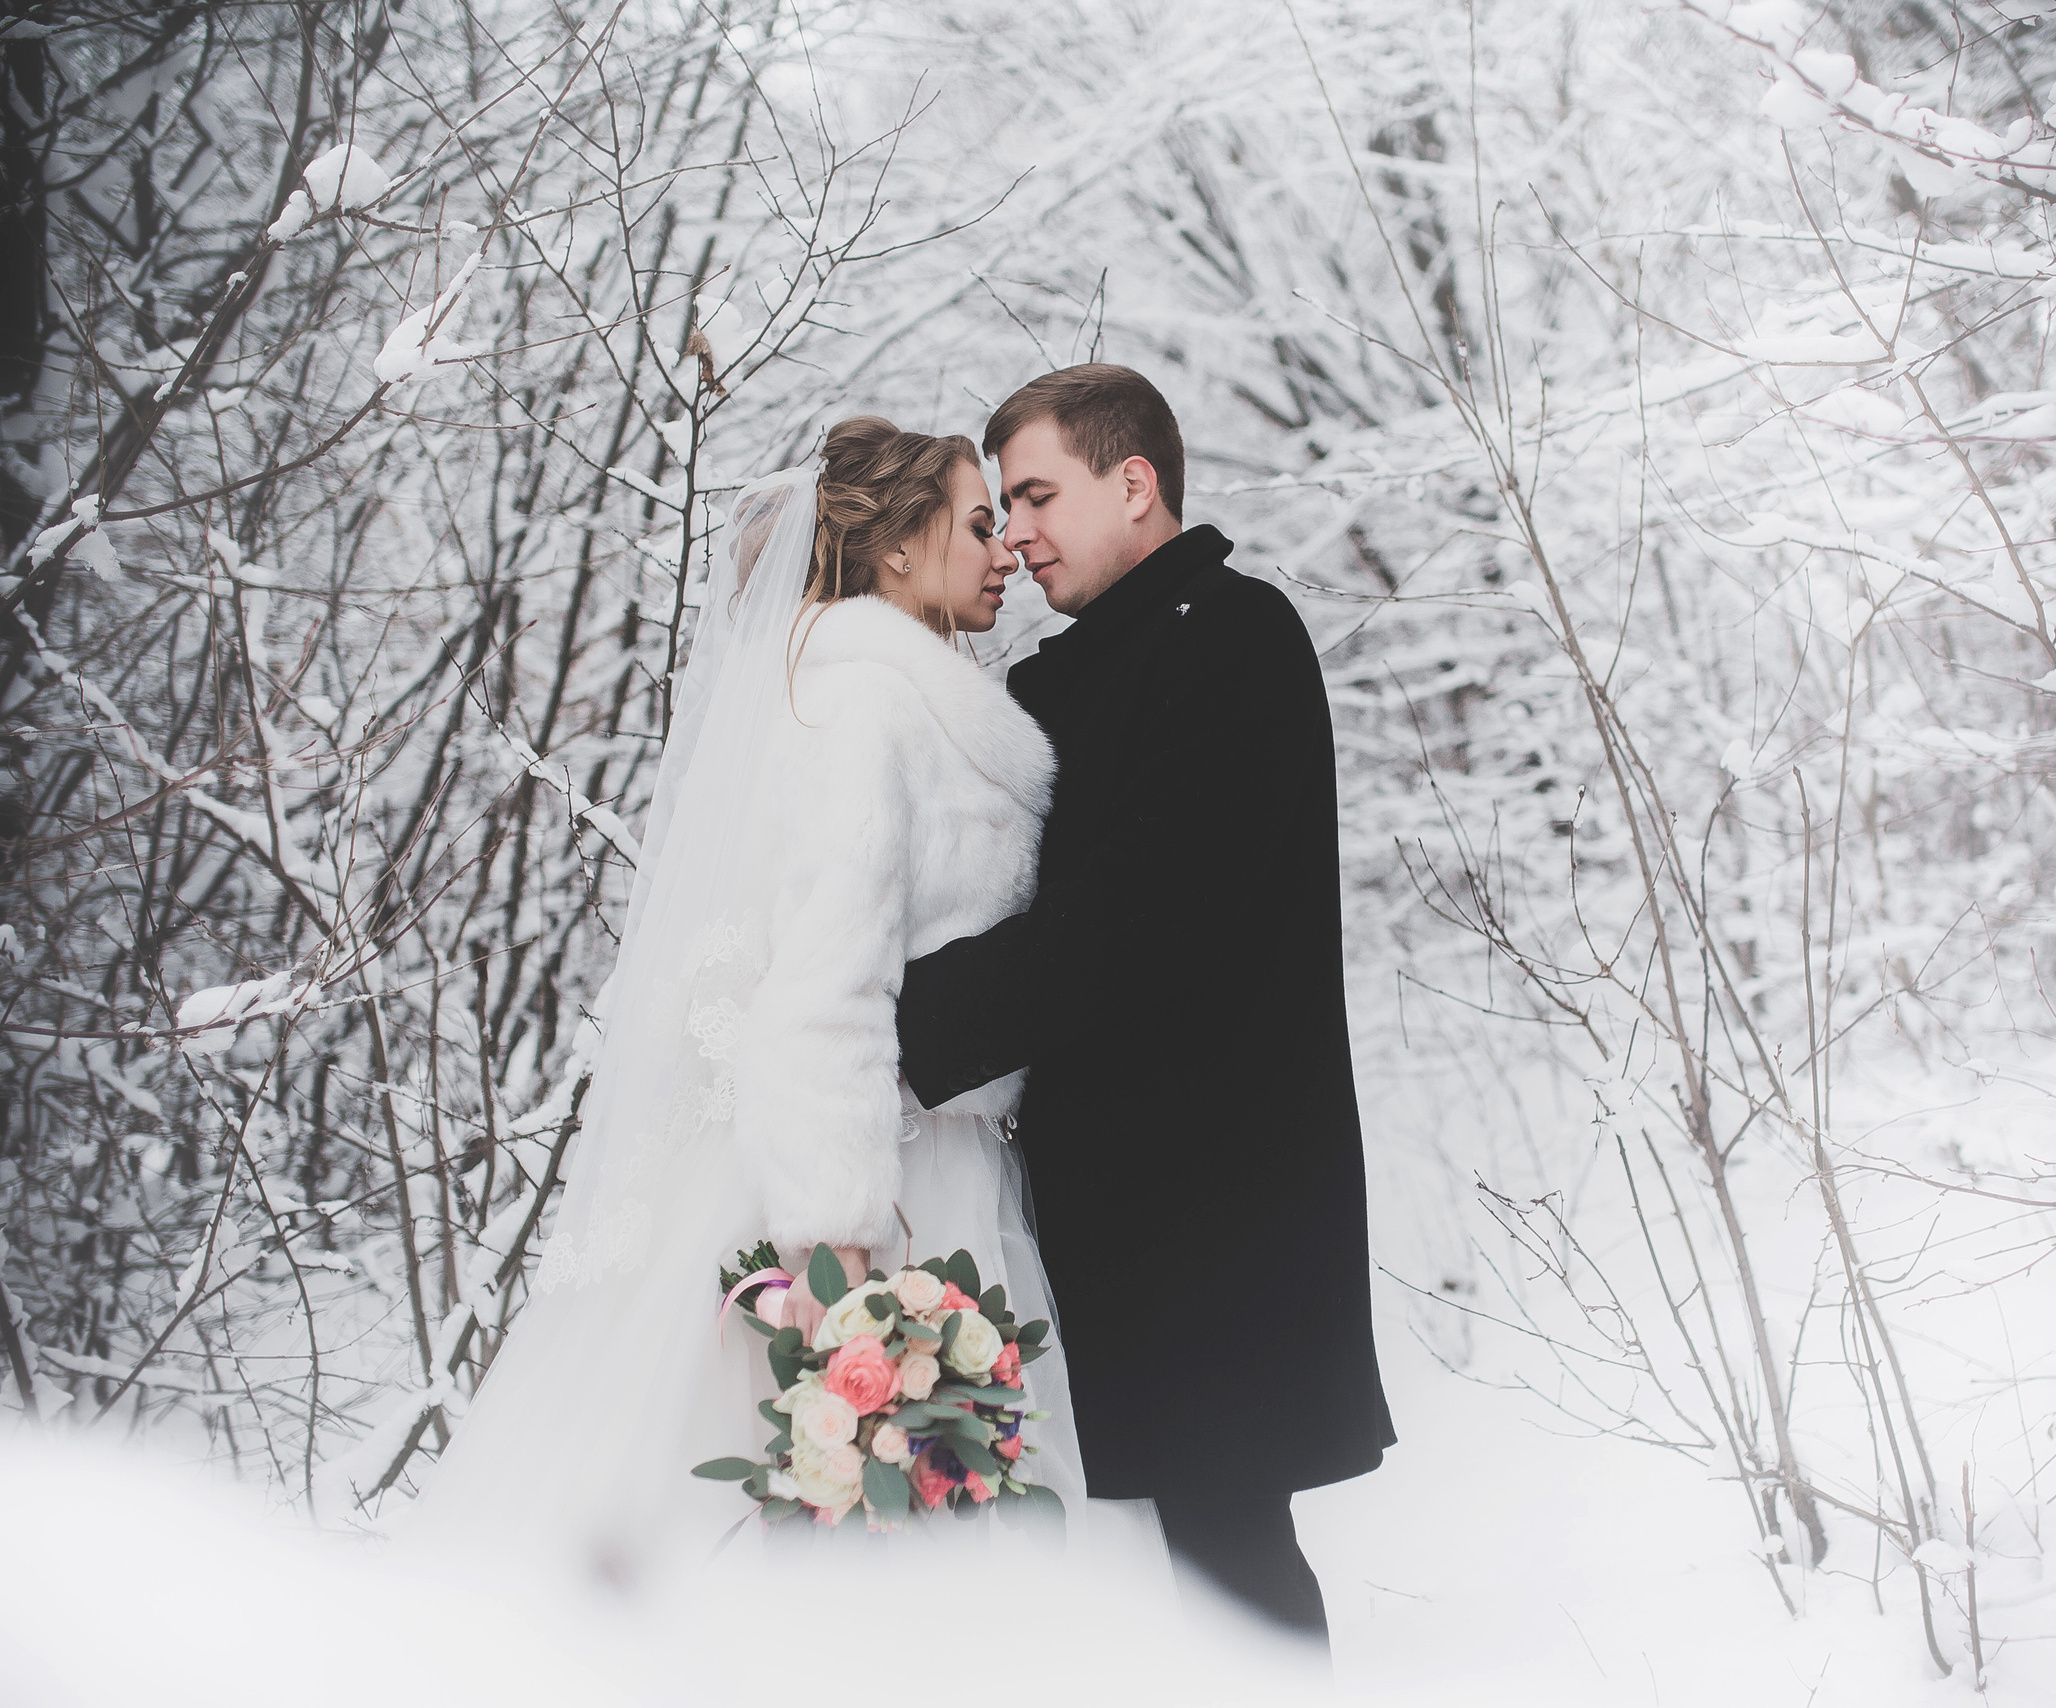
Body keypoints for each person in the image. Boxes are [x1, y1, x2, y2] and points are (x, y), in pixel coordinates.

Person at [414, 417, 1108, 1562]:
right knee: (856, 1543)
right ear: (893, 550)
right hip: (876, 1190)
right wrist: (840, 1286)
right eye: (979, 524)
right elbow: (824, 990)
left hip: (941, 1162)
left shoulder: (901, 697)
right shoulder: (864, 704)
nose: (1006, 552)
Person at [896, 365, 1396, 1647]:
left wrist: (906, 1026)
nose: (1017, 533)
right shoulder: (1081, 674)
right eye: (1002, 505)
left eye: (1038, 494)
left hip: (1220, 1203)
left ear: (1137, 483)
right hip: (1122, 1207)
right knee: (1174, 1557)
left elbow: (1144, 917)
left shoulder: (1230, 634)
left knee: (1230, 1547)